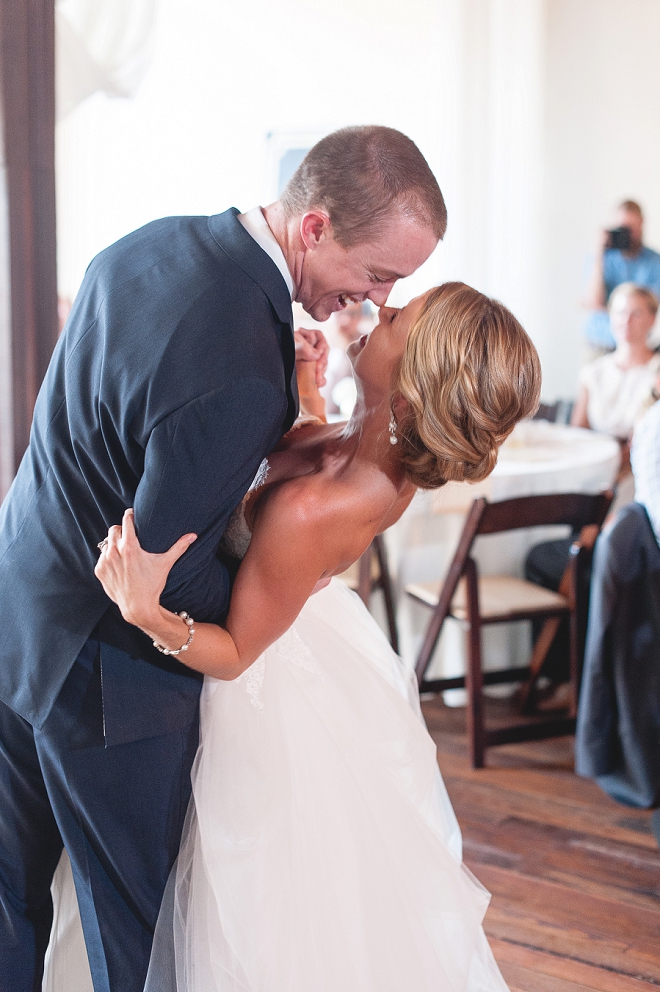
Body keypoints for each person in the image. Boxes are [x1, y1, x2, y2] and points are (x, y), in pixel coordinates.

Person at [0, 125, 446, 992]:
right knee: (139, 935)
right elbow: (175, 570)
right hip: (108, 677)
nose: (378, 298)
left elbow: (127, 439)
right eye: (379, 273)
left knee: (10, 896)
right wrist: (280, 583)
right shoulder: (244, 364)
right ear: (315, 228)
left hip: (20, 603)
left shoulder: (148, 244)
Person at [65, 282, 540, 991]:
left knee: (248, 906)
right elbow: (325, 442)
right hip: (303, 632)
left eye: (397, 321)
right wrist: (308, 385)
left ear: (409, 392)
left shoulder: (318, 511)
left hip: (263, 685)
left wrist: (148, 613)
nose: (379, 310)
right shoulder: (382, 441)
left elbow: (234, 655)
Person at [572, 282, 660, 499]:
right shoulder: (593, 372)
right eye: (620, 312)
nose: (626, 321)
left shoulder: (656, 371)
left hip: (640, 469)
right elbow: (577, 431)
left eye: (636, 313)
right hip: (594, 467)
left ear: (652, 319)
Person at [583, 200, 660, 355]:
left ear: (641, 225)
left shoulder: (655, 262)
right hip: (600, 343)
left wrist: (614, 309)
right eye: (622, 229)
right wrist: (599, 252)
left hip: (639, 348)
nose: (627, 234)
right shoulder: (600, 259)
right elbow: (594, 303)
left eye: (631, 228)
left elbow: (650, 310)